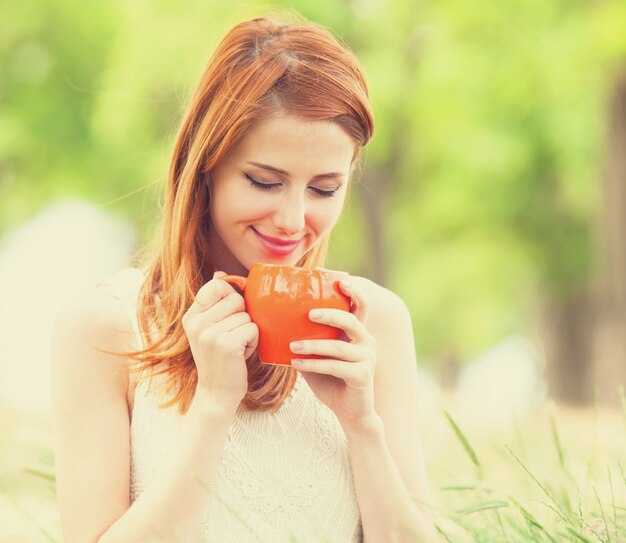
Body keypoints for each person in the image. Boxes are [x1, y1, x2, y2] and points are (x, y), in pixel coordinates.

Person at [51, 13, 439, 543]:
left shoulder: (374, 324)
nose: (293, 219)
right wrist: (212, 407)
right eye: (264, 181)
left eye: (324, 189)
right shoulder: (105, 328)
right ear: (205, 164)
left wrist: (361, 424)